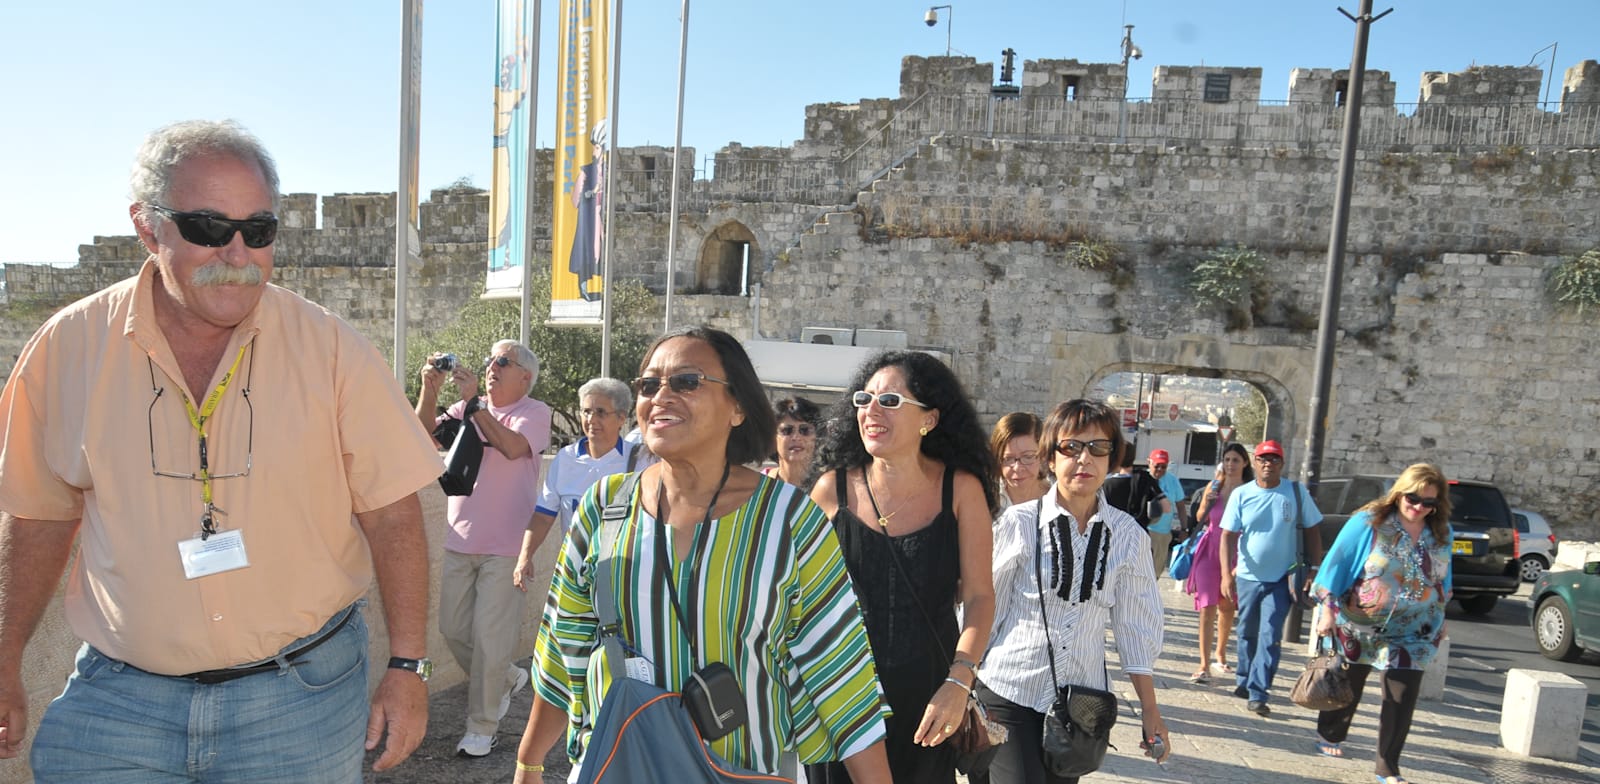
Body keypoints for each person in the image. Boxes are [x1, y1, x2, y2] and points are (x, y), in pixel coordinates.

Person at [0, 120, 442, 780]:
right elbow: (37, 520)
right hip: (122, 705)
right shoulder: (69, 349)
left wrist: (408, 668)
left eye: (258, 231)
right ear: (149, 229)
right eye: (209, 228)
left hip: (301, 705)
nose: (237, 253)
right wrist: (5, 658)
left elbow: (392, 516)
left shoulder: (331, 350)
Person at [513, 327, 893, 782]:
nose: (661, 397)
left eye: (687, 382)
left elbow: (840, 673)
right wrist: (529, 761)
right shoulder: (604, 506)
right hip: (620, 764)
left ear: (737, 407)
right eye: (649, 385)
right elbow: (563, 646)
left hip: (745, 769)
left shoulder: (790, 520)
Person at [805, 351, 996, 784]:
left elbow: (981, 596)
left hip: (930, 697)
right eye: (863, 399)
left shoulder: (961, 490)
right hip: (841, 692)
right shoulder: (830, 489)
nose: (870, 411)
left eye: (889, 401)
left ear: (928, 419)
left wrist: (959, 681)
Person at [976, 399, 1170, 784]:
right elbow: (985, 607)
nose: (1085, 459)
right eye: (1071, 447)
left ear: (1112, 459)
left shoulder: (1128, 536)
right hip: (1009, 690)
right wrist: (961, 681)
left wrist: (1150, 710)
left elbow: (1135, 626)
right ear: (1051, 458)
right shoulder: (1018, 523)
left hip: (1080, 705)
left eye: (1098, 448)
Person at [416, 341, 553, 757]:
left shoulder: (535, 412)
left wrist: (474, 404)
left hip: (508, 546)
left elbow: (513, 449)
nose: (492, 366)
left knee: (491, 641)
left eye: (502, 362)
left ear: (524, 376)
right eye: (490, 359)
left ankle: (482, 726)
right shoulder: (465, 410)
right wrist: (430, 389)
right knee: (452, 630)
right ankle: (506, 677)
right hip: (460, 540)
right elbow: (419, 433)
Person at [1311, 464, 1453, 784]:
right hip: (1362, 621)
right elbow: (1336, 564)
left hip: (1414, 630)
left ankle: (1387, 766)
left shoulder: (1440, 532)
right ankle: (1331, 733)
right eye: (1413, 498)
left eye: (1428, 502)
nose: (1418, 508)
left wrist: (1442, 615)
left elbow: (1443, 578)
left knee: (1401, 697)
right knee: (1349, 684)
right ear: (1400, 492)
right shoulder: (1369, 522)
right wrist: (1328, 611)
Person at [1218, 439, 1323, 716]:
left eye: (1274, 459)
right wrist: (1225, 576)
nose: (1268, 464)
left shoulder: (1296, 493)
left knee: (1270, 635)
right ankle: (1244, 677)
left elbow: (1313, 530)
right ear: (1255, 462)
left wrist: (1314, 569)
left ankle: (1259, 691)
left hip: (1282, 578)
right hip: (1248, 576)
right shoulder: (1242, 494)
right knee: (1246, 632)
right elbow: (1227, 535)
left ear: (1282, 464)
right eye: (1263, 459)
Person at [515, 376, 644, 590]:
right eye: (586, 411)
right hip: (575, 572)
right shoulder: (565, 458)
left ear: (621, 418)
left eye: (601, 412)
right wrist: (525, 557)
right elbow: (543, 515)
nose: (591, 419)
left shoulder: (641, 460)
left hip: (624, 572)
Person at [1185, 443, 1253, 682]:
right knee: (1206, 606)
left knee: (1226, 606)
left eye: (1236, 459)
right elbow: (1200, 517)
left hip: (1235, 550)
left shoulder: (1250, 491)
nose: (1231, 464)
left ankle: (1220, 654)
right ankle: (1203, 664)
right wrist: (1207, 500)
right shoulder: (1214, 486)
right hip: (1209, 548)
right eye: (1227, 459)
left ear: (1245, 463)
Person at [991, 412, 1049, 507]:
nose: (1017, 468)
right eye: (1008, 459)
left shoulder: (1060, 500)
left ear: (1042, 454)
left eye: (1028, 457)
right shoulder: (985, 503)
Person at [1102, 451, 1170, 533]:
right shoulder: (1146, 479)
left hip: (1113, 533)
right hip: (1140, 533)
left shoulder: (1105, 484)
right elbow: (1166, 508)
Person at [765, 396, 821, 488]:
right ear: (773, 437)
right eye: (787, 430)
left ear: (817, 437)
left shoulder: (830, 488)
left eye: (805, 430)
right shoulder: (756, 485)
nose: (796, 437)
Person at [1147, 449, 1186, 575]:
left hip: (1163, 534)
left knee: (1156, 572)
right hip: (1144, 531)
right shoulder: (1142, 479)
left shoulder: (1173, 480)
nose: (1159, 469)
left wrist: (1184, 529)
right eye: (1156, 466)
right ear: (1149, 463)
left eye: (1163, 466)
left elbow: (1181, 506)